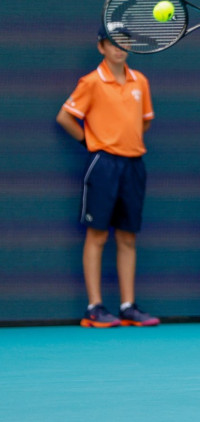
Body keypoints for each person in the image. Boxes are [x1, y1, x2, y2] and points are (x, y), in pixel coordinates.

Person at [56, 26, 160, 328]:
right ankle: (94, 308)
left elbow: (143, 123)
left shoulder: (140, 81)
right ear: (101, 47)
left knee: (127, 236)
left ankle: (127, 306)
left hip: (134, 165)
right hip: (103, 165)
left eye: (124, 42)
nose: (119, 47)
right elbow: (65, 117)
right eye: (112, 43)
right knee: (97, 235)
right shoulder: (91, 82)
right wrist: (92, 143)